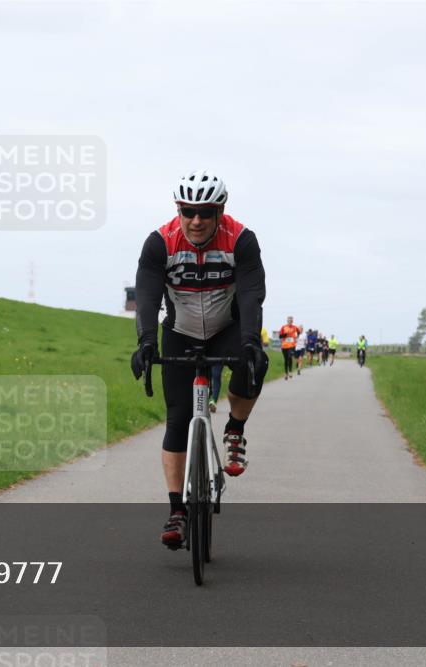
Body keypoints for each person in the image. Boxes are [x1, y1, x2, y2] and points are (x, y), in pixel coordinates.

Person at [131, 169, 267, 549]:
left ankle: (235, 429)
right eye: (188, 211)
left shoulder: (241, 240)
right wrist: (145, 342)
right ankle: (177, 509)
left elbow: (251, 295)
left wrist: (252, 341)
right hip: (179, 331)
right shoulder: (160, 242)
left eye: (205, 212)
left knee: (253, 365)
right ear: (179, 208)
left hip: (228, 325)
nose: (196, 220)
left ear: (220, 209)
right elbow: (146, 295)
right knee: (177, 420)